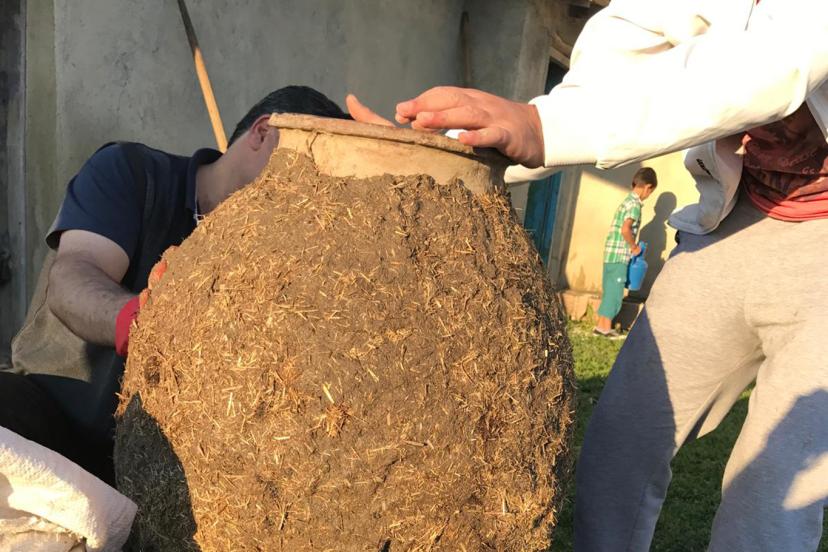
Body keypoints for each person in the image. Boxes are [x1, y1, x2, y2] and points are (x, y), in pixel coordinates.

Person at [349, 1, 828, 549]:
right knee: (620, 447)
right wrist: (449, 149)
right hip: (732, 221)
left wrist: (544, 127)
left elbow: (776, 62)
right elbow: (620, 50)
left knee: (773, 492)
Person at [2, 85, 350, 484]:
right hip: (52, 413)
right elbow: (73, 280)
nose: (310, 192)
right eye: (308, 169)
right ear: (262, 132)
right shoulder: (132, 173)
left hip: (160, 469)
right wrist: (149, 323)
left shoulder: (279, 252)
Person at [594, 167, 657, 338]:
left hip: (610, 254)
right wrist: (634, 247)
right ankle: (606, 328)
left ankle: (601, 326)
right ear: (648, 187)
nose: (648, 195)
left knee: (609, 289)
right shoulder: (635, 205)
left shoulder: (626, 201)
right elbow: (625, 229)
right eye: (650, 192)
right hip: (620, 254)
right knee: (615, 292)